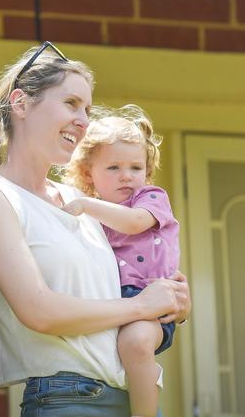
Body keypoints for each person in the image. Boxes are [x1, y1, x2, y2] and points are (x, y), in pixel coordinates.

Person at [0, 41, 190, 416]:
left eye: (86, 108)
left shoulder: (82, 201)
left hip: (129, 399)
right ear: (20, 104)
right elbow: (40, 311)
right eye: (70, 104)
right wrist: (139, 305)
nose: (83, 120)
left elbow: (125, 275)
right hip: (67, 400)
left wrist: (174, 300)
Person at [62, 105, 180, 417]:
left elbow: (133, 223)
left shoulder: (150, 199)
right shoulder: (93, 217)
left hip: (150, 299)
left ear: (147, 172)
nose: (126, 176)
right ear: (89, 174)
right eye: (113, 168)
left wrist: (86, 205)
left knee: (137, 342)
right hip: (111, 303)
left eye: (136, 168)